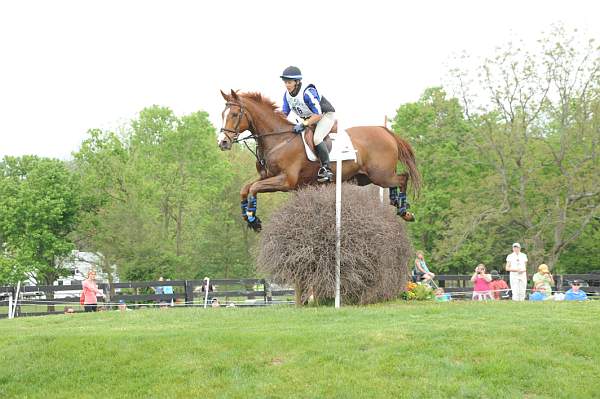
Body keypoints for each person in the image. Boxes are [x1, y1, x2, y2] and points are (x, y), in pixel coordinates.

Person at [280, 66, 336, 182]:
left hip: (324, 116)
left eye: (289, 82)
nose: (287, 85)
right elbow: (284, 113)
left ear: (297, 82)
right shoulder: (287, 95)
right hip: (310, 119)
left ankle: (326, 169)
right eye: (285, 82)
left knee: (317, 138)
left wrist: (303, 124)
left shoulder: (307, 92)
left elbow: (318, 114)